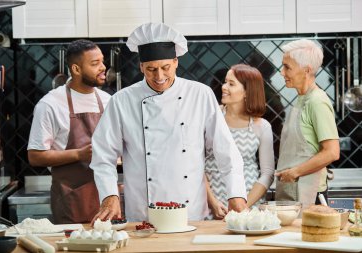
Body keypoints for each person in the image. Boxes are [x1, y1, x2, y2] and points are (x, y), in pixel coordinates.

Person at [90, 23, 248, 223]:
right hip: (143, 212)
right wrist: (109, 195)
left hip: (191, 213)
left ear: (175, 62)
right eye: (151, 69)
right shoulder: (122, 100)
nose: (159, 76)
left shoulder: (200, 94)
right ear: (141, 67)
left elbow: (226, 152)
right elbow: (103, 155)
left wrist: (236, 195)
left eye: (165, 67)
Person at [27, 39, 111, 224]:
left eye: (102, 61)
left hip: (107, 197)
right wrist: (80, 154)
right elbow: (35, 156)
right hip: (72, 199)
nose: (103, 67)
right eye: (95, 63)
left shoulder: (108, 101)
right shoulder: (50, 104)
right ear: (76, 69)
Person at [275, 39, 340, 210]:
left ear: (307, 70)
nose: (282, 72)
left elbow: (332, 152)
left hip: (309, 195)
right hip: (291, 191)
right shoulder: (301, 99)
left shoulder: (317, 102)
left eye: (287, 67)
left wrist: (294, 172)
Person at [205, 64, 275, 219]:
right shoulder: (209, 119)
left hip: (247, 207)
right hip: (211, 205)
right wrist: (213, 203)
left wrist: (243, 205)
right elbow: (196, 165)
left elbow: (268, 173)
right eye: (225, 82)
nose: (223, 87)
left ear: (247, 91)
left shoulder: (261, 126)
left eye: (231, 84)